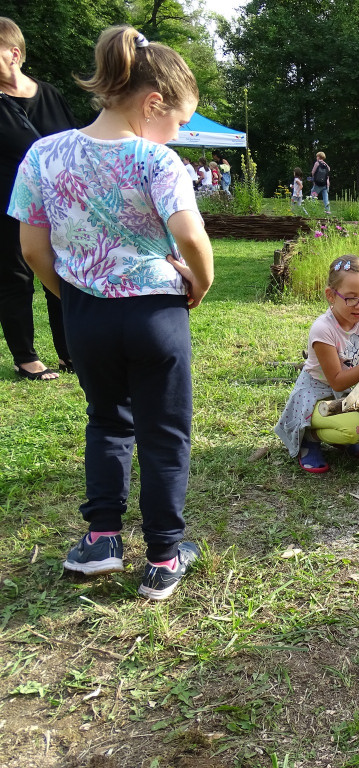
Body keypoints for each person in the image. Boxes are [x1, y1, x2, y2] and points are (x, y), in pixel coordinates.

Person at [10, 25, 214, 599]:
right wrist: (201, 282)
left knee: (106, 419)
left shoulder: (43, 153)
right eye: (180, 122)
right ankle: (164, 558)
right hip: (156, 315)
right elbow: (190, 236)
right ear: (154, 103)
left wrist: (73, 296)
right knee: (164, 433)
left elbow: (32, 249)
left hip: (86, 315)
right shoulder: (157, 160)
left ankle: (101, 540)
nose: (179, 134)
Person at [0, 16, 76, 380]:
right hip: (6, 205)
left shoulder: (50, 95)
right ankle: (26, 358)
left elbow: (72, 144)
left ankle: (70, 353)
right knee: (14, 277)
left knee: (62, 271)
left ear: (14, 54)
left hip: (58, 204)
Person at [274, 256, 359, 473]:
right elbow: (337, 382)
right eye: (351, 298)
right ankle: (309, 437)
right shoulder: (323, 330)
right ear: (331, 295)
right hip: (317, 398)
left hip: (348, 393)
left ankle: (345, 438)